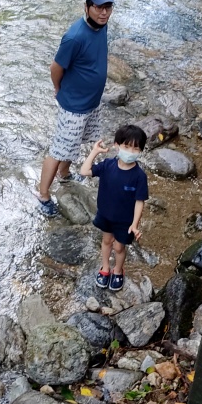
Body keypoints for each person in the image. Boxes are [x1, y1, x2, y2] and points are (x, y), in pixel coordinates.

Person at [37, 0, 114, 217]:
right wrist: (59, 89)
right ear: (87, 6)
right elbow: (55, 67)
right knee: (59, 149)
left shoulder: (102, 26)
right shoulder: (74, 37)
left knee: (77, 141)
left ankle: (64, 173)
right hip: (74, 105)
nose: (104, 12)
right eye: (99, 7)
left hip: (91, 102)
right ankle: (43, 194)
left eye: (108, 7)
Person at [80, 124, 148, 292]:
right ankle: (105, 268)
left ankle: (118, 270)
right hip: (105, 214)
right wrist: (95, 151)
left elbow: (140, 201)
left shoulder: (139, 176)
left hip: (125, 221)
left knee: (119, 247)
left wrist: (135, 224)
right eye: (126, 147)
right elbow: (84, 171)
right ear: (117, 145)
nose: (130, 152)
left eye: (135, 149)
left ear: (140, 151)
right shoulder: (107, 165)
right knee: (106, 241)